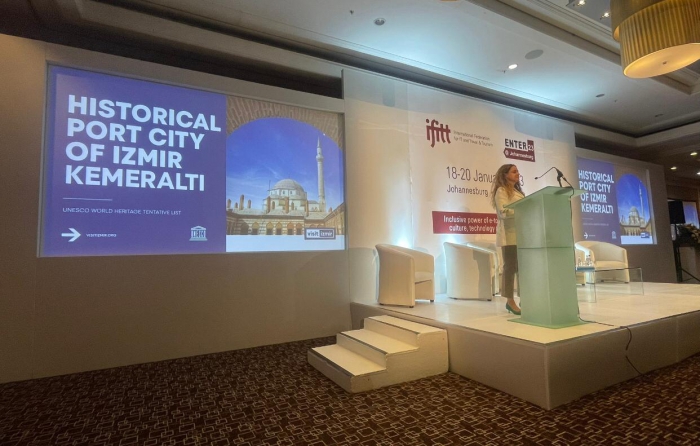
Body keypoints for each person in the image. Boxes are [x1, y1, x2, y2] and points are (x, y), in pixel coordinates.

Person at [490, 164, 525, 315]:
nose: (518, 173)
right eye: (514, 171)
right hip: (509, 235)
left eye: (518, 171)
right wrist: (521, 211)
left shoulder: (518, 191)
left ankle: (526, 298)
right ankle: (510, 301)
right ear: (505, 175)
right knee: (510, 268)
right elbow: (503, 212)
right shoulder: (501, 191)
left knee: (523, 268)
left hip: (522, 235)